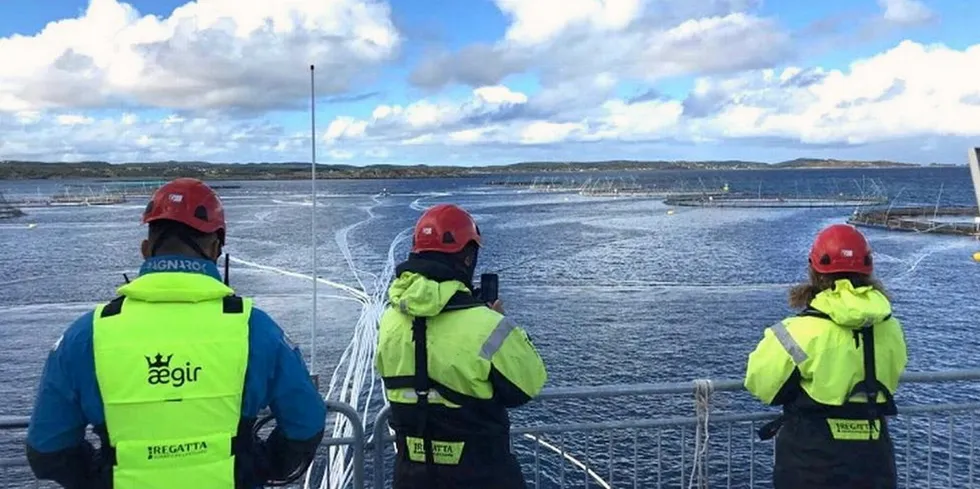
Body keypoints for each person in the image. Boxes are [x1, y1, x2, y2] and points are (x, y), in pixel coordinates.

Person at [25, 178, 326, 489]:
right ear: (216, 249)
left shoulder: (86, 335)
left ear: (146, 250)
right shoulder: (255, 328)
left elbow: (47, 449)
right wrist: (261, 464)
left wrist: (101, 474)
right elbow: (306, 423)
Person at [375, 203, 548, 489]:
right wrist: (501, 322)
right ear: (468, 258)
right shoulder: (486, 324)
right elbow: (528, 385)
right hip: (482, 475)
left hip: (411, 477)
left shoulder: (390, 321)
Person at [744, 223, 908, 489]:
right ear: (868, 269)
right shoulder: (891, 328)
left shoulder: (797, 331)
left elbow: (761, 385)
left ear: (814, 269)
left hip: (810, 463)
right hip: (874, 461)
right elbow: (893, 373)